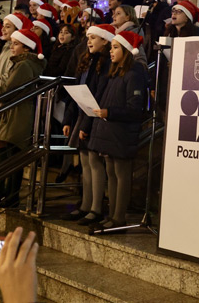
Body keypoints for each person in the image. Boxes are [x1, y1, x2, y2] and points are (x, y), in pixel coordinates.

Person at [0, 28, 47, 208]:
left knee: (13, 154)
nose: (12, 47)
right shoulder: (21, 63)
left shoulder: (24, 65)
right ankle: (1, 190)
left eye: (16, 44)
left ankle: (10, 194)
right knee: (4, 148)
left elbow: (7, 91)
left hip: (17, 113)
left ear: (26, 47)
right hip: (12, 111)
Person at [87, 30, 148, 230]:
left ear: (127, 51)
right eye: (111, 47)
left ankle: (119, 216)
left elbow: (134, 108)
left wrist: (109, 112)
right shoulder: (114, 73)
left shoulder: (134, 74)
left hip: (122, 132)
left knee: (121, 174)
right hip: (110, 131)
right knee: (111, 171)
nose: (111, 52)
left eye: (115, 48)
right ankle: (112, 215)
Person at [60, 23, 114, 224]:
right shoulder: (87, 60)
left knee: (94, 162)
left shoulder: (106, 63)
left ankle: (96, 208)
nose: (88, 41)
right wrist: (68, 119)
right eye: (88, 37)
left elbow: (98, 95)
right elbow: (78, 91)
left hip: (93, 117)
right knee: (84, 161)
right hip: (81, 115)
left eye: (93, 37)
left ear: (105, 41)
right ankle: (85, 204)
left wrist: (87, 125)